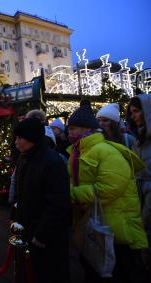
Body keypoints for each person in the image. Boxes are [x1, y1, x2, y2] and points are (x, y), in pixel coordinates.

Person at [68, 100, 148, 282]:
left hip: (116, 231)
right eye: (69, 128)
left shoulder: (105, 151)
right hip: (97, 228)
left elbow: (110, 188)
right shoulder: (77, 152)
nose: (69, 132)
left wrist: (74, 194)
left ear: (86, 129)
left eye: (73, 128)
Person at [12, 117, 71, 283]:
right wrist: (16, 215)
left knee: (49, 273)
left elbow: (58, 203)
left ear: (31, 138)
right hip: (29, 230)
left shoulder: (52, 162)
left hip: (47, 238)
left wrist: (42, 234)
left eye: (19, 138)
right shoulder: (24, 158)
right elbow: (20, 193)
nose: (16, 142)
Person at [126, 94, 151, 271]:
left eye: (137, 111)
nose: (134, 116)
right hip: (140, 193)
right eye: (131, 112)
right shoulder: (136, 139)